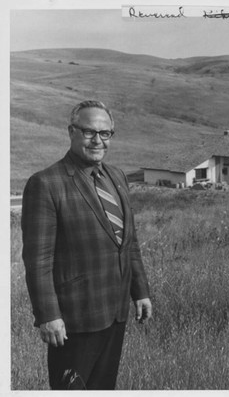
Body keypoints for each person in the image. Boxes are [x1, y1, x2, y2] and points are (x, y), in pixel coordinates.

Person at [21, 100, 152, 390]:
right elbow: (38, 260)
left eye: (105, 133)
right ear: (71, 132)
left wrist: (140, 291)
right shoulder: (46, 184)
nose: (98, 140)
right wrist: (49, 315)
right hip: (74, 320)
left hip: (115, 312)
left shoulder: (116, 176)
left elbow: (128, 241)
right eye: (89, 132)